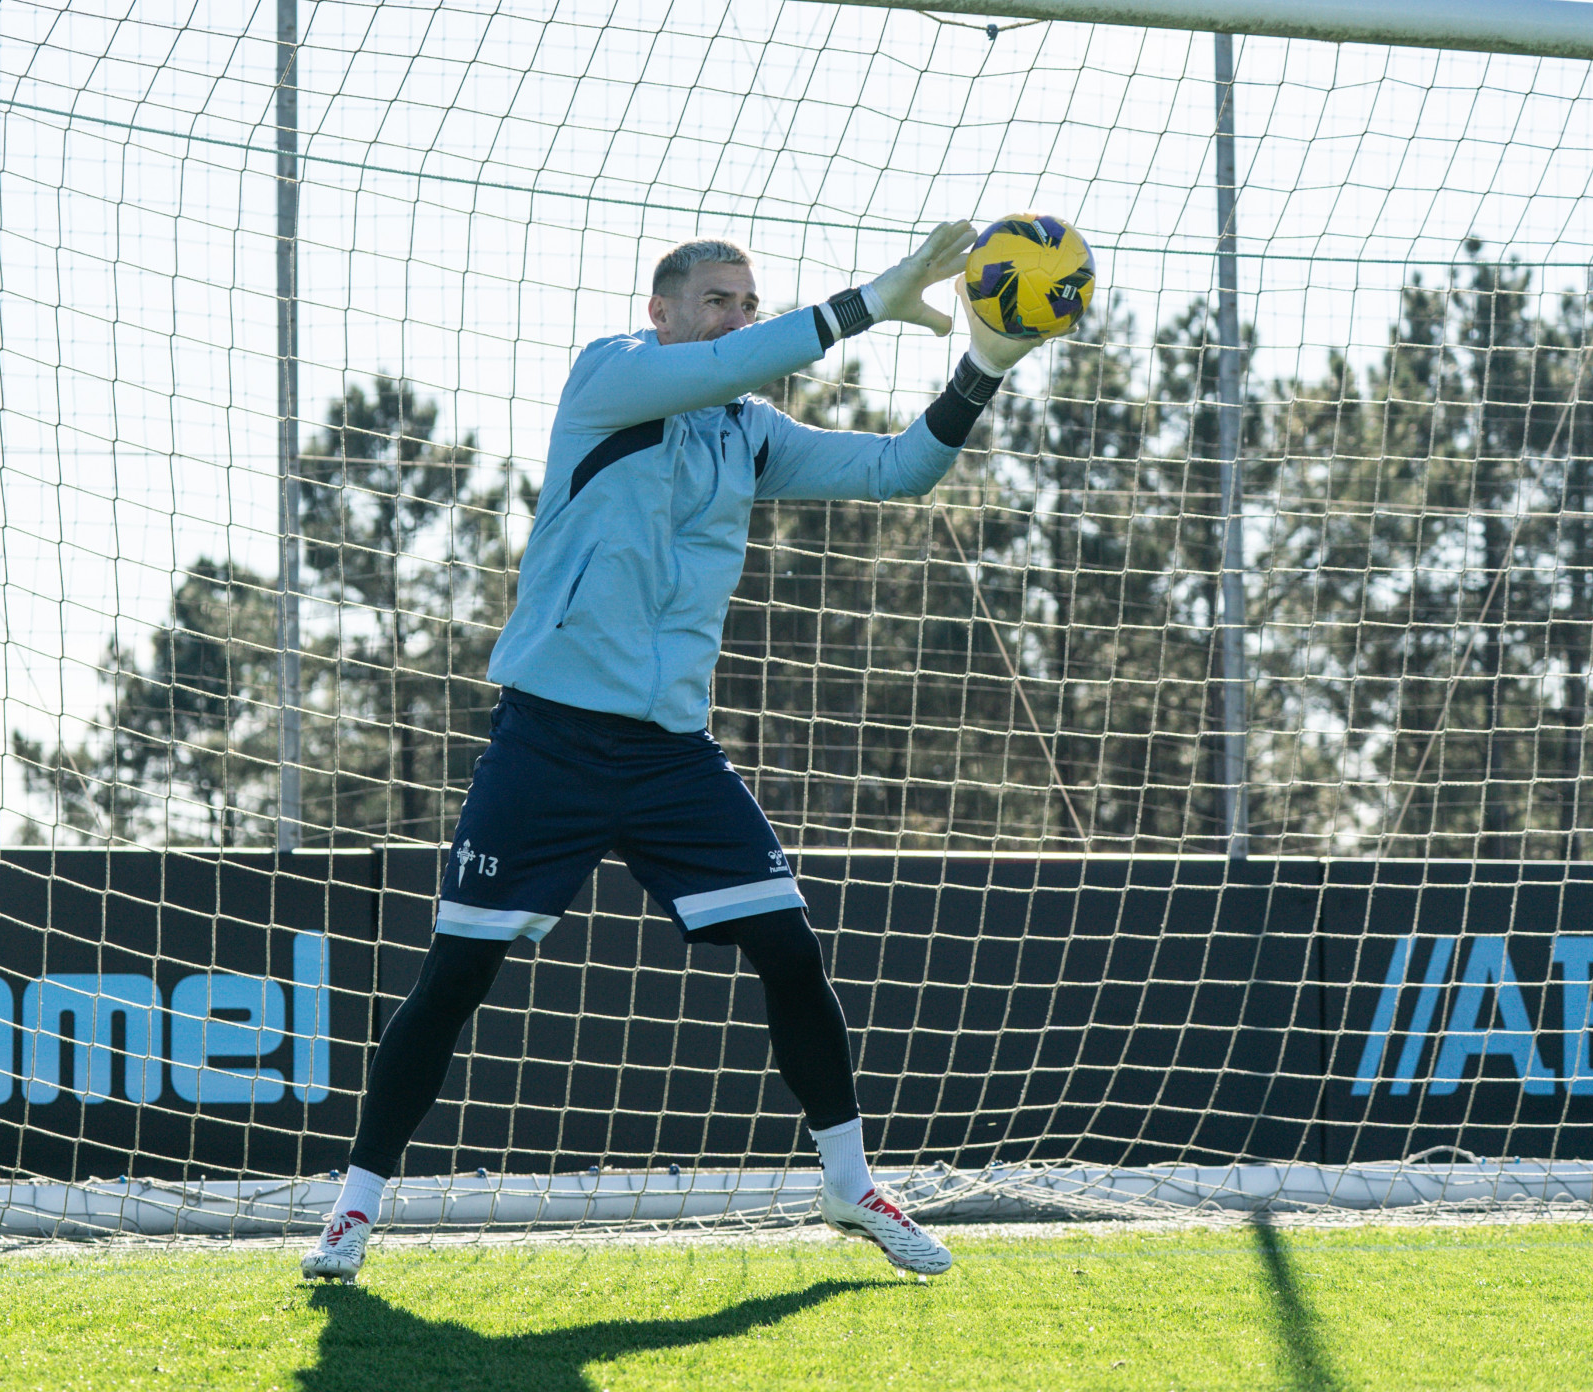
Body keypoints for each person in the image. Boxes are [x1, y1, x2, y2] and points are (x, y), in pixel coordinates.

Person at [300, 222, 1053, 1283]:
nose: (735, 319)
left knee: (790, 953)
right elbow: (735, 365)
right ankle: (353, 1210)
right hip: (547, 742)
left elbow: (900, 472)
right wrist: (871, 301)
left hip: (671, 757)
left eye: (747, 302)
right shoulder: (611, 378)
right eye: (715, 300)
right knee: (456, 977)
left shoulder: (745, 433)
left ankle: (849, 1183)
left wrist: (982, 365)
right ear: (661, 314)